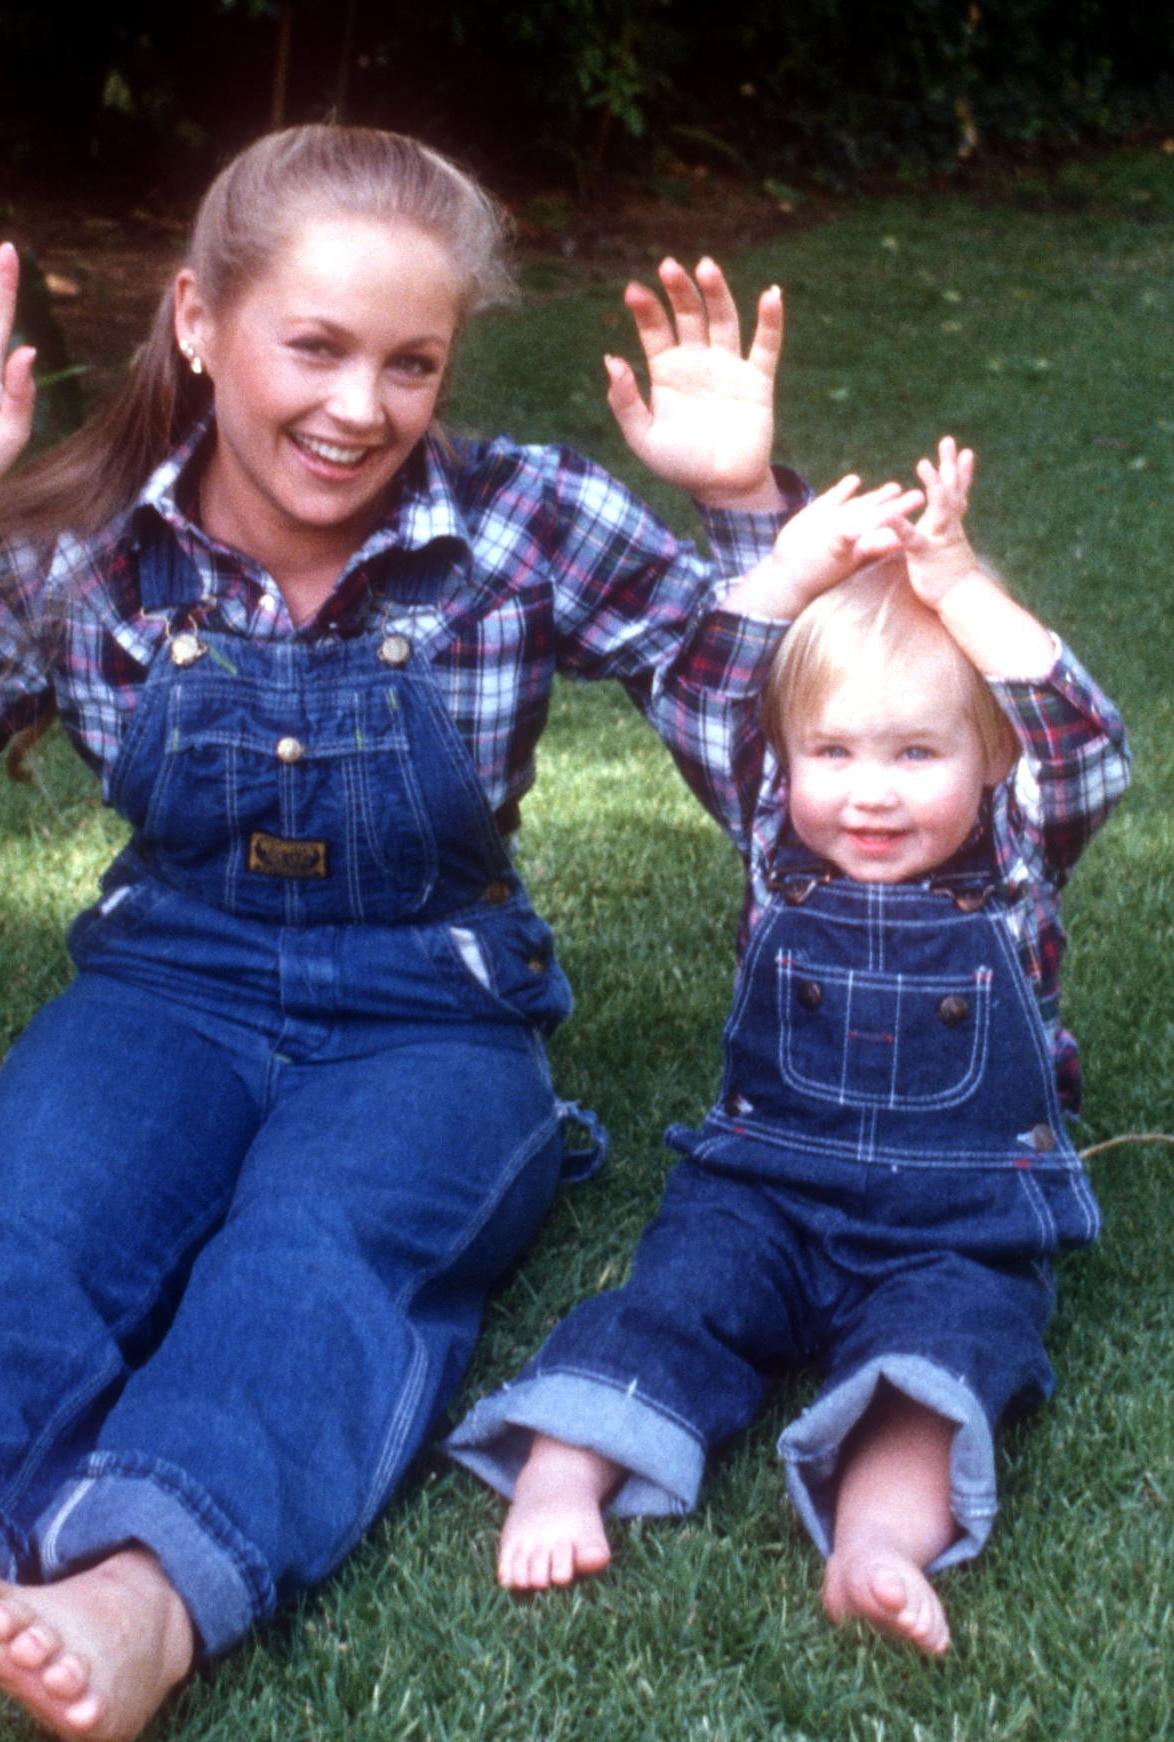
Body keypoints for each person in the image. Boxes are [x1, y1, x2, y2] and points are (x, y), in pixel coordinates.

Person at [0, 124, 804, 1742]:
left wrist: (742, 514)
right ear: (199, 323)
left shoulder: (518, 523)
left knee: (313, 1260)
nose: (359, 407)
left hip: (433, 1020)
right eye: (314, 345)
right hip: (163, 989)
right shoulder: (86, 552)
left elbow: (784, 752)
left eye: (410, 362)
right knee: (33, 1226)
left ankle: (141, 1593)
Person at [447, 438, 1130, 1657]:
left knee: (944, 1359)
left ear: (992, 761)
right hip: (762, 1185)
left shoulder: (1015, 858)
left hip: (959, 1214)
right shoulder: (776, 843)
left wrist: (961, 587)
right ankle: (564, 1467)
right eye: (833, 752)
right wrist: (784, 575)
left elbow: (1086, 742)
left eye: (917, 752)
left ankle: (875, 1539)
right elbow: (707, 694)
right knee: (674, 1300)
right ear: (788, 759)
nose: (868, 792)